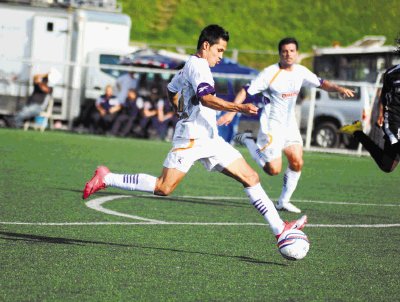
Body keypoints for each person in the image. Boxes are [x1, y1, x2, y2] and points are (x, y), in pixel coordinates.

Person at [82, 25, 307, 248]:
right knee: (163, 187)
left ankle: (280, 229)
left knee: (251, 178)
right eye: (219, 51)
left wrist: (179, 107)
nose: (221, 56)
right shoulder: (199, 66)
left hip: (210, 138)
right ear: (206, 46)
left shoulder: (189, 65)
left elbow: (171, 90)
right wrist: (238, 108)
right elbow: (206, 98)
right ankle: (106, 178)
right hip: (191, 139)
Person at [218, 37, 354, 213]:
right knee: (273, 170)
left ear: (296, 53)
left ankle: (283, 201)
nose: (288, 54)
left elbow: (321, 83)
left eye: (291, 51)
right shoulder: (269, 73)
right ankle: (250, 142)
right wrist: (232, 111)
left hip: (289, 125)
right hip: (272, 127)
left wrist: (339, 89)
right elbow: (245, 90)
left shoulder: (300, 71)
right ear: (280, 54)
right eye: (284, 51)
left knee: (297, 162)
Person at [339, 41, 400, 172]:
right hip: (395, 122)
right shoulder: (392, 74)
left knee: (387, 166)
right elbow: (384, 97)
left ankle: (357, 132)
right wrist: (381, 114)